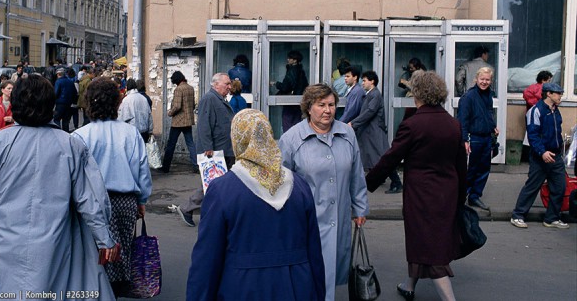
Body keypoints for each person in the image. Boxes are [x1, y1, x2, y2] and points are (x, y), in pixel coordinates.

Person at [0, 75, 119, 299]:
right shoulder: (71, 146)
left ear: (14, 104)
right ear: (51, 105)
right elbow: (91, 199)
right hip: (55, 247)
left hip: (2, 246)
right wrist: (105, 239)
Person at [186, 109, 326, 300]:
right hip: (297, 286)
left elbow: (207, 260)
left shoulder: (222, 190)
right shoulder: (299, 186)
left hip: (242, 287)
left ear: (237, 139)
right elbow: (315, 254)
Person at [366, 71, 467, 301]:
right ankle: (409, 285)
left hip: (421, 196)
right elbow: (462, 166)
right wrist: (460, 197)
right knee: (424, 240)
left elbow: (390, 158)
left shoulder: (413, 124)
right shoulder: (453, 124)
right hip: (447, 193)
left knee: (430, 247)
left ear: (417, 94)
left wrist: (366, 184)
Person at [279, 83, 368, 301]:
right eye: (321, 105)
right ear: (309, 108)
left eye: (331, 105)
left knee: (329, 272)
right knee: (310, 275)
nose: (327, 110)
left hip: (338, 219)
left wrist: (360, 208)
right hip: (306, 221)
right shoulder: (291, 139)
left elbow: (356, 175)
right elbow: (280, 183)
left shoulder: (346, 133)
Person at [72, 77, 153, 296]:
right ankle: (115, 292)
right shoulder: (130, 133)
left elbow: (74, 177)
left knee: (94, 254)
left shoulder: (79, 136)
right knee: (121, 253)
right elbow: (142, 170)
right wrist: (142, 200)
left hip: (92, 204)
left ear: (89, 102)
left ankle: (97, 292)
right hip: (125, 202)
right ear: (117, 103)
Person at [177, 73, 234, 227]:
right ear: (216, 84)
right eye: (227, 84)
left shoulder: (219, 99)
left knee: (218, 184)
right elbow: (204, 124)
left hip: (224, 149)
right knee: (212, 184)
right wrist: (208, 146)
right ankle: (188, 208)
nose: (229, 87)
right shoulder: (209, 99)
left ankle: (220, 215)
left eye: (230, 84)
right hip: (215, 151)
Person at [511, 82, 569, 230]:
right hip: (540, 156)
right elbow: (533, 135)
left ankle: (552, 218)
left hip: (555, 156)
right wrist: (542, 152)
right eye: (558, 93)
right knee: (532, 187)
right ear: (548, 94)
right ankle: (518, 215)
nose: (560, 96)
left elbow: (557, 132)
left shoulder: (556, 110)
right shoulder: (536, 110)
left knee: (559, 187)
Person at [458, 66, 499, 211]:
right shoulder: (468, 97)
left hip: (486, 137)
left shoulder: (489, 95)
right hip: (474, 138)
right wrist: (465, 140)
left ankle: (475, 196)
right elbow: (463, 120)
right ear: (476, 79)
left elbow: (488, 113)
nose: (484, 82)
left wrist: (493, 126)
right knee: (471, 170)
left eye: (487, 80)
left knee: (484, 169)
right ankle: (461, 198)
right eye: (482, 79)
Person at [161, 71, 197, 173]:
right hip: (188, 120)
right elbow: (193, 105)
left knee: (171, 144)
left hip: (178, 122)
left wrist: (170, 113)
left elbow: (177, 106)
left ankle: (165, 167)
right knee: (190, 144)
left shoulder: (178, 89)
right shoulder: (190, 88)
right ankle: (196, 165)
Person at [271, 50, 309, 133]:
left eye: (290, 58)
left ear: (295, 60)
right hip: (298, 101)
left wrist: (275, 83)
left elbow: (285, 87)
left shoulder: (291, 71)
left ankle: (287, 143)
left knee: (287, 122)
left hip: (290, 101)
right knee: (297, 123)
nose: (288, 59)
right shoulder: (301, 71)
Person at [118, 78, 153, 143]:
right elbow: (149, 115)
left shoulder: (126, 100)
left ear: (127, 87)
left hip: (132, 132)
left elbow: (123, 118)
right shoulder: (143, 98)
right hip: (144, 132)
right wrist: (150, 131)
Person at [54, 67, 77, 132]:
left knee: (57, 119)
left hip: (60, 103)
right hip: (69, 104)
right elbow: (74, 92)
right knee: (66, 121)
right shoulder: (70, 81)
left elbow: (56, 93)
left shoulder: (58, 82)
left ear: (58, 74)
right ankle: (65, 133)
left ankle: (58, 133)